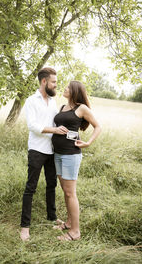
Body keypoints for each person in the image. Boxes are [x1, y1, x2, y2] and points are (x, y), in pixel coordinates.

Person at [20, 67, 68, 241]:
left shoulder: (53, 102)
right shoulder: (31, 100)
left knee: (51, 184)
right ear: (44, 82)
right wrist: (54, 130)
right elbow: (32, 125)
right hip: (37, 149)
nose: (56, 85)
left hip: (51, 149)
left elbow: (56, 119)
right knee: (30, 187)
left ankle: (52, 217)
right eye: (53, 82)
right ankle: (25, 226)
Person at [52, 80, 101, 241]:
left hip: (70, 154)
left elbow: (98, 127)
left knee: (70, 192)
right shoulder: (62, 107)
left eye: (67, 87)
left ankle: (75, 232)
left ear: (74, 91)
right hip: (57, 153)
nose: (64, 89)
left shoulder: (82, 108)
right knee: (65, 192)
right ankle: (68, 222)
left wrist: (88, 142)